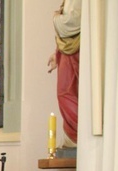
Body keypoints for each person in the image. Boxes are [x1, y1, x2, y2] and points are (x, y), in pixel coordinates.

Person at [47, 0, 80, 147]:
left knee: (70, 92)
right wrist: (57, 52)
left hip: (77, 51)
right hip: (67, 52)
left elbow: (74, 22)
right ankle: (75, 134)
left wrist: (56, 19)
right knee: (64, 92)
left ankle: (79, 133)